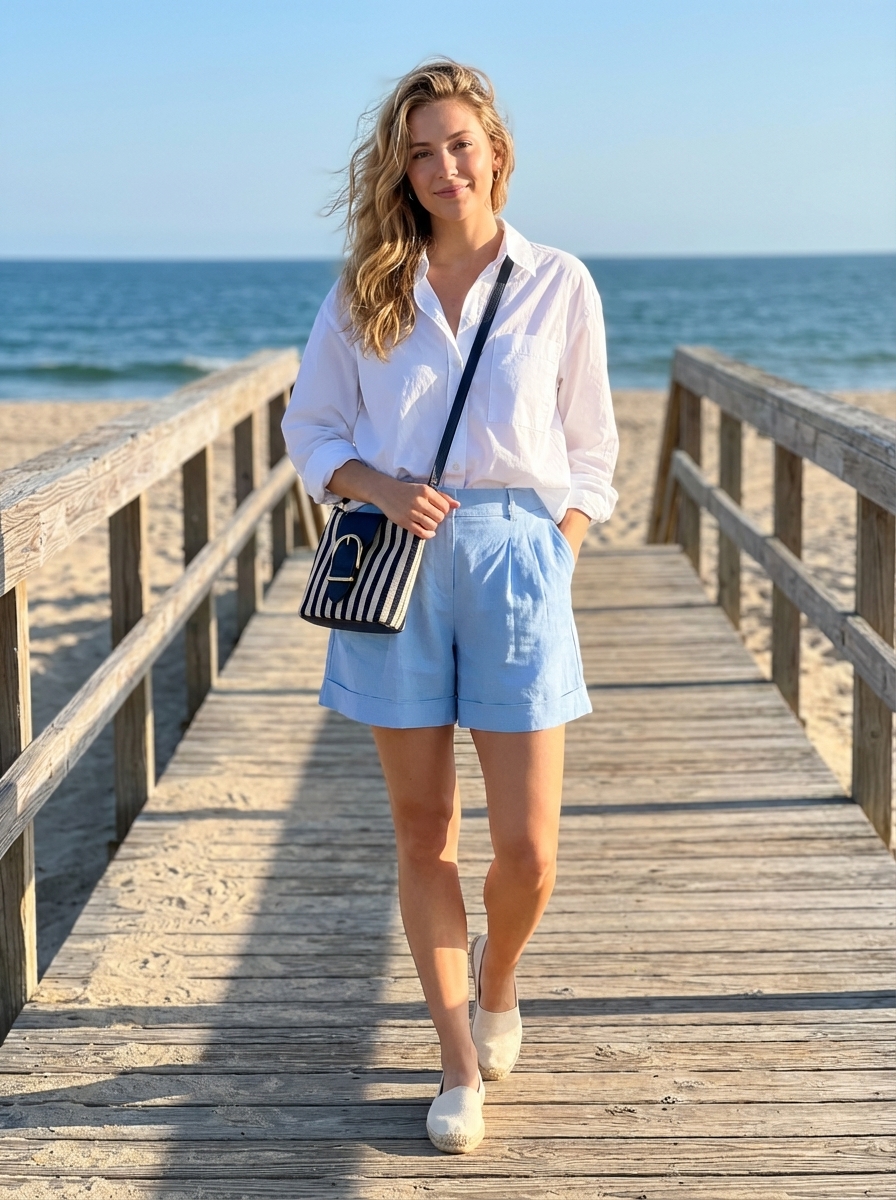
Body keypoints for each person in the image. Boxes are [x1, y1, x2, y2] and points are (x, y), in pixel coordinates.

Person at [282, 59, 618, 1154]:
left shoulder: (558, 282)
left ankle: (499, 979)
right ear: (400, 168)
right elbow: (312, 430)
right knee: (422, 828)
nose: (439, 167)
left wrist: (553, 549)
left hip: (518, 559)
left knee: (528, 850)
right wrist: (373, 486)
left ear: (495, 151)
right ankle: (457, 1059)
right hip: (397, 569)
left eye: (457, 144)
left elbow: (590, 453)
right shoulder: (364, 291)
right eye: (418, 151)